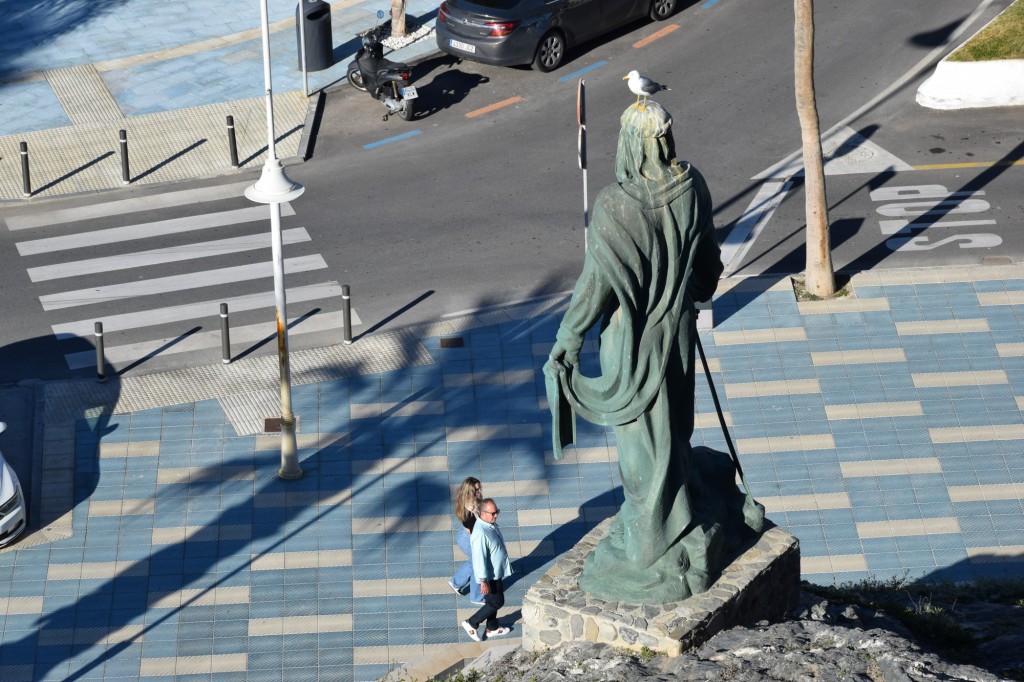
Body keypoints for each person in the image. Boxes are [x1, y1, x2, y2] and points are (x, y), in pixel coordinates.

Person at [544, 101, 761, 604]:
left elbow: (595, 286)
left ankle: (653, 542)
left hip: (631, 346)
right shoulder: (693, 185)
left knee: (642, 454)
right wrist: (684, 289)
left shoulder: (614, 206)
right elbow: (708, 271)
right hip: (677, 335)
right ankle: (675, 522)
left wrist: (568, 339)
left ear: (630, 144)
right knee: (674, 435)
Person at [460, 498, 513, 641]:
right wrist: (483, 581)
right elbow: (479, 559)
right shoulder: (480, 533)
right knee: (497, 602)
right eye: (493, 513)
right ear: (483, 513)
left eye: (497, 512)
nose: (496, 515)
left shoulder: (488, 523)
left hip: (496, 572)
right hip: (489, 576)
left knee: (492, 601)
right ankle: (472, 623)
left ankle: (492, 628)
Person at [449, 477, 484, 604]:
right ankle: (476, 597)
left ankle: (456, 582)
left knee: (473, 562)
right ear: (469, 492)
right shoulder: (469, 511)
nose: (479, 492)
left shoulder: (472, 501)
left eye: (479, 488)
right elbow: (475, 529)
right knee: (477, 566)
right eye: (476, 490)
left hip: (466, 535)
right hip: (468, 539)